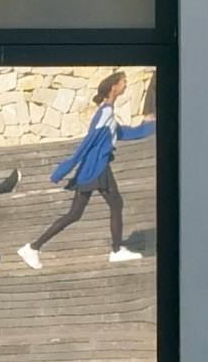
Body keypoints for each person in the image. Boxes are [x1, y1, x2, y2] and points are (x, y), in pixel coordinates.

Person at [19, 71, 154, 271]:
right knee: (111, 205)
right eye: (123, 81)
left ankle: (34, 247)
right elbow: (88, 143)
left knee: (77, 213)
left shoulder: (107, 111)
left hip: (96, 167)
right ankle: (115, 251)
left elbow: (120, 133)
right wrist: (65, 168)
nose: (126, 84)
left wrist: (149, 127)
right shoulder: (105, 112)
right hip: (95, 169)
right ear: (114, 87)